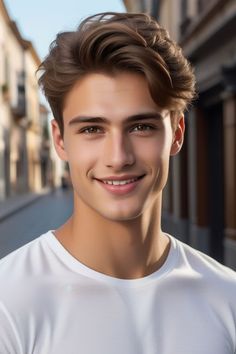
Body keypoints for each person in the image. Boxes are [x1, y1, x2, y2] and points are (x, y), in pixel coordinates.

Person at [0, 12, 235, 354]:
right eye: (92, 129)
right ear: (61, 140)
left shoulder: (227, 297)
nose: (119, 156)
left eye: (141, 126)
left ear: (177, 134)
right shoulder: (8, 301)